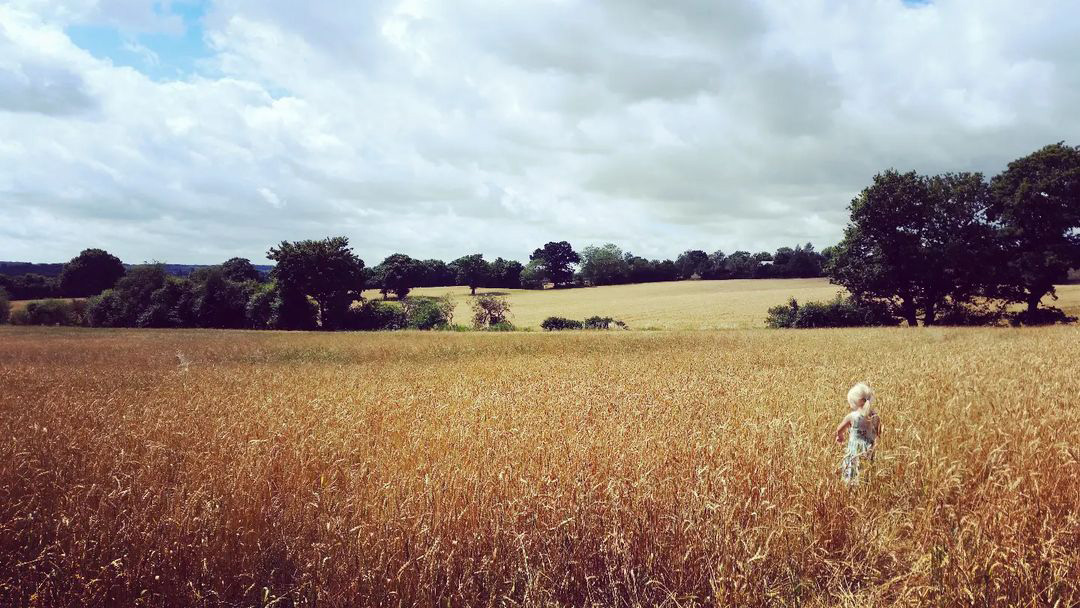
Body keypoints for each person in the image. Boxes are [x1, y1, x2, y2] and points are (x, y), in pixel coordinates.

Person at [835, 382, 881, 485]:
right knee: (866, 475)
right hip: (869, 449)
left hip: (854, 451)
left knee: (852, 472)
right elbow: (878, 433)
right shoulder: (875, 416)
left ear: (856, 401)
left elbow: (839, 430)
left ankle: (851, 491)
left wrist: (840, 437)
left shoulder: (852, 416)